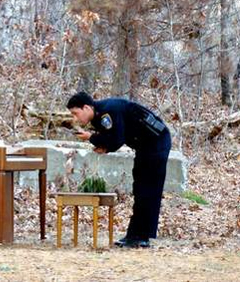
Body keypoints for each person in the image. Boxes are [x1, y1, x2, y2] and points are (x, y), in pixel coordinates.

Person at [66, 92, 171, 248]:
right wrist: (104, 146)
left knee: (148, 189)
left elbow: (116, 139)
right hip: (145, 145)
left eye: (76, 113)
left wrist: (91, 138)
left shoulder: (107, 112)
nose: (76, 118)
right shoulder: (100, 114)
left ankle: (142, 237)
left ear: (86, 107)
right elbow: (112, 137)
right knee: (140, 188)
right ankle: (134, 235)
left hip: (156, 141)